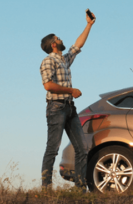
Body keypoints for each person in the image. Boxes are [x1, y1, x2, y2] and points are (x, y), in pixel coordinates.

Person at [39, 11, 96, 189]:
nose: (61, 39)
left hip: (70, 108)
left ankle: (80, 188)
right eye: (58, 38)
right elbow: (48, 85)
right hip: (56, 108)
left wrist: (89, 25)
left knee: (82, 149)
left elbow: (77, 46)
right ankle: (46, 187)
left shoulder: (63, 60)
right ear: (54, 44)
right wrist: (71, 90)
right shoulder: (48, 61)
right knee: (53, 148)